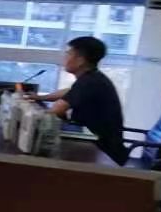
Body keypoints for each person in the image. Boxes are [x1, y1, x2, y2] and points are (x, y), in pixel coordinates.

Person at [34, 36, 127, 165]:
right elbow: (69, 92)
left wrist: (32, 113)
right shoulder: (92, 77)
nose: (65, 58)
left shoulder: (90, 82)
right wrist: (40, 98)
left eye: (69, 54)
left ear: (80, 60)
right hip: (93, 143)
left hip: (102, 153)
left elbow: (57, 109)